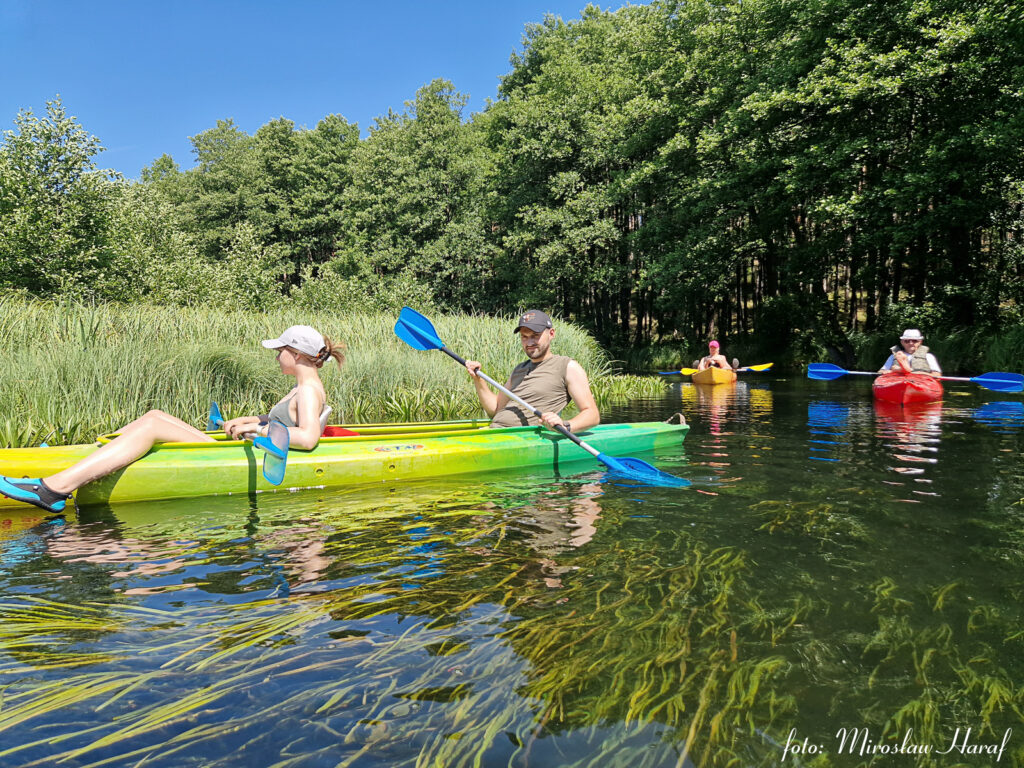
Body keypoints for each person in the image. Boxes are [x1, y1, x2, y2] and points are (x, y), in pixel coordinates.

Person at [0, 325, 344, 514]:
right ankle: (93, 455)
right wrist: (251, 418)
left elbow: (307, 437)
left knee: (154, 426)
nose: (276, 357)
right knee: (155, 415)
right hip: (242, 448)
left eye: (280, 351)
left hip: (239, 457)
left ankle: (53, 490)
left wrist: (257, 427)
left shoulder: (308, 390)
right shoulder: (301, 387)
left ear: (297, 354)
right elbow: (282, 419)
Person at [464, 310, 600, 433]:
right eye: (524, 336)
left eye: (535, 335)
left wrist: (566, 426)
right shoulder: (519, 369)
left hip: (522, 439)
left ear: (551, 333)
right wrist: (478, 379)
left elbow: (592, 415)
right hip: (495, 432)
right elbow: (495, 410)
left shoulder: (567, 366)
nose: (529, 342)